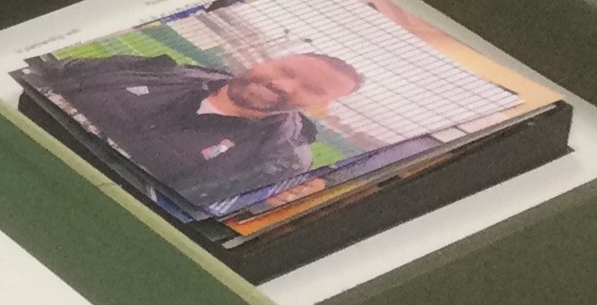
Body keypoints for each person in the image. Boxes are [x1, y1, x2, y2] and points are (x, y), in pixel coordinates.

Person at [33, 49, 361, 208]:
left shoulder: (278, 160)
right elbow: (53, 76)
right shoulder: (167, 71)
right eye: (284, 68)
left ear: (320, 106)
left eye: (312, 88)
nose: (282, 83)